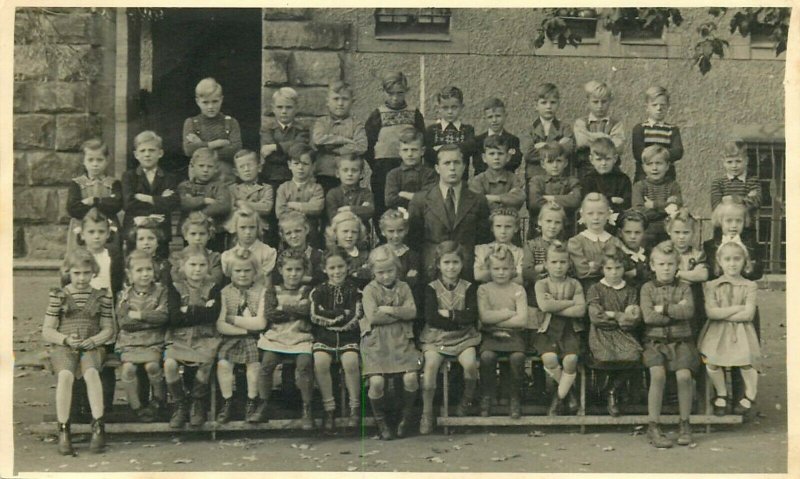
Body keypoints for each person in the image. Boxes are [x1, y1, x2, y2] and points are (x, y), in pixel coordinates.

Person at [43, 249, 114, 454]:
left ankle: (98, 426)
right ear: (68, 272)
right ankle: (64, 429)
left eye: (86, 273)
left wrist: (94, 340)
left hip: (91, 345)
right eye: (76, 273)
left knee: (91, 373)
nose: (82, 278)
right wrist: (65, 339)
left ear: (94, 272)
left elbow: (108, 328)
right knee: (65, 376)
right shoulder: (59, 295)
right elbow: (47, 330)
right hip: (65, 346)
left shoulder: (102, 296)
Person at [64, 209, 123, 413]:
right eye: (91, 232)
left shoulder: (112, 257)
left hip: (106, 315)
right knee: (81, 359)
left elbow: (118, 285)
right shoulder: (76, 258)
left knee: (105, 359)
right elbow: (65, 289)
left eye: (100, 231)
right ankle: (80, 407)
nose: (96, 236)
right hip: (81, 317)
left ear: (108, 233)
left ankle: (104, 407)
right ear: (82, 234)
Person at [640, 240, 698, 448]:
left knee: (684, 376)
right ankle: (653, 425)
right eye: (661, 264)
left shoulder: (684, 288)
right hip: (654, 342)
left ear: (677, 267)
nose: (666, 269)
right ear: (653, 265)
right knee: (658, 374)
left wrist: (662, 309)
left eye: (670, 265)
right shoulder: (647, 288)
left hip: (681, 341)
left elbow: (688, 312)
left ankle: (685, 423)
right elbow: (648, 317)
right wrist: (674, 311)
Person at [419, 241, 481, 433]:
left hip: (464, 337)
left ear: (462, 263)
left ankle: (466, 402)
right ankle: (427, 412)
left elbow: (471, 315)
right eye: (446, 262)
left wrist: (450, 314)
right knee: (430, 366)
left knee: (470, 363)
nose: (451, 267)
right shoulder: (431, 287)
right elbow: (432, 318)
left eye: (455, 262)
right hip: (436, 337)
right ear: (438, 264)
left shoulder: (469, 287)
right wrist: (457, 319)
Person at [360, 246, 420, 440]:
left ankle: (405, 418)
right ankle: (381, 422)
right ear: (373, 272)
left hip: (401, 339)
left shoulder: (404, 287)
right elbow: (374, 317)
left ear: (397, 269)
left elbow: (412, 312)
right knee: (377, 382)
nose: (386, 276)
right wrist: (399, 313)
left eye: (390, 271)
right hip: (377, 341)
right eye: (380, 272)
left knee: (410, 378)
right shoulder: (370, 290)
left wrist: (389, 309)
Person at [408, 144, 492, 282]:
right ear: (437, 168)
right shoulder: (420, 200)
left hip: (467, 271)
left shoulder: (478, 200)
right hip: (431, 271)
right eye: (447, 163)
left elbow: (483, 239)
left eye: (456, 163)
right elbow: (414, 241)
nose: (452, 168)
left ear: (464, 166)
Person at [253, 249, 315, 428]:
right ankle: (263, 404)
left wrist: (286, 309)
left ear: (304, 271)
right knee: (267, 364)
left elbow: (308, 312)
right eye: (289, 270)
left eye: (298, 270)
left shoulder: (307, 290)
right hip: (277, 337)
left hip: (300, 336)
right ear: (280, 270)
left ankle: (307, 407)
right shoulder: (273, 290)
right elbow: (271, 314)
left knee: (304, 365)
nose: (293, 274)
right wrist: (295, 310)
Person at [699, 241, 761, 418]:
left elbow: (748, 315)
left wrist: (723, 313)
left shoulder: (750, 286)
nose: (732, 263)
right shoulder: (712, 285)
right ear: (719, 261)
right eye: (727, 259)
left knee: (745, 362)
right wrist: (736, 308)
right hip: (717, 331)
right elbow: (711, 312)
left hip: (741, 331)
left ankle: (750, 394)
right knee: (711, 361)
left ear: (744, 261)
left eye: (737, 259)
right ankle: (721, 394)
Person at [164, 247, 223, 428]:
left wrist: (187, 310)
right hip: (180, 338)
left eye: (202, 265)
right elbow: (174, 317)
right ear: (182, 266)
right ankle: (180, 403)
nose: (197, 269)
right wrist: (200, 311)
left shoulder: (214, 288)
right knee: (170, 364)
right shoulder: (175, 288)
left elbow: (213, 315)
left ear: (208, 267)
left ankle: (198, 402)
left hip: (205, 337)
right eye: (192, 264)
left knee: (206, 363)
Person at [309, 248, 363, 434]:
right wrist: (340, 314)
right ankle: (329, 409)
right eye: (332, 268)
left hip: (348, 336)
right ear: (324, 269)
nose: (337, 271)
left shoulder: (354, 290)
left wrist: (332, 316)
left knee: (351, 361)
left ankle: (354, 408)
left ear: (348, 267)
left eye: (340, 266)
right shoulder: (319, 290)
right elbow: (316, 314)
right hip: (324, 336)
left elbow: (356, 315)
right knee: (320, 362)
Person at [586, 244, 643, 417]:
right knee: (604, 356)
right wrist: (620, 317)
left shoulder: (630, 290)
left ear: (624, 268)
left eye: (618, 268)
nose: (613, 272)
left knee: (634, 355)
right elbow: (596, 317)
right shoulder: (595, 289)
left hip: (624, 335)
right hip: (600, 334)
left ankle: (612, 390)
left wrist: (613, 315)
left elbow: (632, 320)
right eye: (609, 268)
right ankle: (606, 393)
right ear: (602, 268)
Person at [533, 241, 587, 416]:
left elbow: (580, 310)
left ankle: (558, 399)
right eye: (554, 262)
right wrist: (570, 302)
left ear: (569, 263)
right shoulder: (541, 284)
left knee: (570, 360)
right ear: (547, 264)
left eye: (562, 262)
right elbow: (545, 306)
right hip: (547, 329)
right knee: (549, 358)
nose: (558, 266)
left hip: (570, 330)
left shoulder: (574, 284)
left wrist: (555, 304)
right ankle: (570, 394)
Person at [115, 249, 169, 422]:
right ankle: (136, 406)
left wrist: (139, 315)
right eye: (139, 270)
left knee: (152, 366)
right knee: (128, 369)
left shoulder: (161, 292)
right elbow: (124, 322)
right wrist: (150, 318)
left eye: (148, 269)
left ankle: (159, 401)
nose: (145, 274)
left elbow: (162, 317)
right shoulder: (124, 295)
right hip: (129, 341)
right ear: (129, 274)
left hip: (154, 340)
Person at [215, 249, 267, 424]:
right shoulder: (225, 292)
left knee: (254, 364)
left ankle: (252, 401)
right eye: (238, 271)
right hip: (232, 337)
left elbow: (260, 323)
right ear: (230, 272)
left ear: (255, 272)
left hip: (255, 339)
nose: (243, 275)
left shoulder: (262, 292)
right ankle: (227, 401)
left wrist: (233, 319)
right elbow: (220, 325)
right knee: (223, 364)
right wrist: (246, 328)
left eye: (247, 270)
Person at [365, 71, 426, 218]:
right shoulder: (378, 114)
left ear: (406, 91)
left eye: (400, 93)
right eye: (390, 93)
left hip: (409, 166)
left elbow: (422, 138)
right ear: (383, 92)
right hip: (383, 167)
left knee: (407, 202)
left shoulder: (414, 113)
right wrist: (377, 165)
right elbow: (368, 144)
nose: (395, 98)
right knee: (383, 203)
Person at [477, 245, 529, 419]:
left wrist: (496, 318)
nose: (501, 272)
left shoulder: (518, 289)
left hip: (514, 335)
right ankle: (487, 396)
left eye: (505, 269)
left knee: (517, 357)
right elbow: (484, 317)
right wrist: (508, 313)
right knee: (487, 357)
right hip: (490, 334)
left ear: (513, 269)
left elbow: (522, 320)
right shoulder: (484, 289)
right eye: (496, 269)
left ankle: (514, 398)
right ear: (489, 269)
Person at [260, 87, 309, 245]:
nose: (284, 111)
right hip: (272, 178)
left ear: (296, 108)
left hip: (294, 179)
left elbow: (298, 149)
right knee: (273, 222)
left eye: (288, 107)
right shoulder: (267, 129)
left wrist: (276, 148)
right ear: (273, 108)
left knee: (294, 220)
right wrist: (288, 150)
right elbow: (266, 151)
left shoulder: (302, 129)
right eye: (280, 107)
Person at [121, 130, 180, 258]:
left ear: (160, 153)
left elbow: (173, 203)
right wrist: (160, 200)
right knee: (135, 265)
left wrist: (147, 198)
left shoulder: (169, 178)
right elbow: (128, 204)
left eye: (151, 150)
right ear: (136, 154)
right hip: (135, 232)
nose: (147, 154)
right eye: (142, 151)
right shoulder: (129, 177)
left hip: (160, 233)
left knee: (160, 266)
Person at [66, 139, 123, 253]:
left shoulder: (114, 183)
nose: (95, 164)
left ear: (107, 160)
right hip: (82, 229)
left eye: (99, 160)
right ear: (84, 161)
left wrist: (94, 201)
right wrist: (103, 203)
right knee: (81, 260)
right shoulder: (77, 183)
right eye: (90, 160)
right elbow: (73, 208)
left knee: (110, 259)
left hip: (108, 229)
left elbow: (116, 204)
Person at [312, 80, 368, 194]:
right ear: (327, 101)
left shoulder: (356, 124)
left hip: (349, 177)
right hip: (324, 175)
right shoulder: (321, 122)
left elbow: (362, 146)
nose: (340, 103)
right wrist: (344, 140)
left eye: (345, 99)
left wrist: (334, 149)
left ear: (352, 102)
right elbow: (318, 140)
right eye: (336, 99)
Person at [182, 77, 242, 181]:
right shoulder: (191, 123)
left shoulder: (231, 122)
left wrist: (201, 145)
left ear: (221, 99)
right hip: (199, 180)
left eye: (215, 101)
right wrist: (216, 143)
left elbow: (235, 149)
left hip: (225, 178)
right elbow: (188, 150)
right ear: (197, 101)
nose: (210, 106)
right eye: (205, 102)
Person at [567, 192, 628, 294]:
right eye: (590, 213)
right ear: (582, 215)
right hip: (587, 289)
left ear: (608, 214)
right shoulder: (576, 242)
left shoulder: (615, 241)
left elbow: (624, 266)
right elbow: (582, 271)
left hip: (614, 290)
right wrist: (606, 266)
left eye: (600, 213)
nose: (596, 217)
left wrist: (593, 265)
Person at [177, 148, 232, 252]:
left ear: (216, 168)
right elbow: (182, 202)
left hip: (214, 232)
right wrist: (204, 200)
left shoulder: (220, 186)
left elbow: (223, 205)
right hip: (190, 232)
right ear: (192, 166)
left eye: (210, 166)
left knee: (213, 258)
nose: (205, 170)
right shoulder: (185, 186)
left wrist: (202, 213)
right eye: (201, 166)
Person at [667, 209, 708, 337]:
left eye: (686, 232)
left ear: (693, 233)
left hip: (694, 299)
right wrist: (690, 275)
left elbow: (703, 275)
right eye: (677, 232)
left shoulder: (697, 253)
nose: (681, 237)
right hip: (670, 295)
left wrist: (678, 273)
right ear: (669, 232)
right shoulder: (665, 252)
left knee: (695, 329)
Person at [275, 143, 325, 247]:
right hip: (288, 233)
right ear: (289, 165)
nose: (300, 167)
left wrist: (293, 205)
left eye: (305, 164)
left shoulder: (316, 188)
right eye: (296, 163)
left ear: (313, 166)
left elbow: (316, 208)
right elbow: (280, 212)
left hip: (311, 234)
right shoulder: (283, 188)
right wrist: (305, 210)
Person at [527, 142, 581, 237]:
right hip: (539, 232)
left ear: (565, 163)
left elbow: (575, 201)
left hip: (566, 231)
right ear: (543, 164)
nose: (555, 165)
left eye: (559, 161)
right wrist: (565, 198)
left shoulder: (572, 181)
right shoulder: (537, 181)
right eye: (550, 161)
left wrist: (549, 198)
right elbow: (534, 203)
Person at [522, 82, 574, 181]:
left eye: (553, 102)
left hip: (560, 179)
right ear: (536, 106)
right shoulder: (529, 130)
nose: (549, 106)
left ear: (558, 104)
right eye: (544, 102)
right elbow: (529, 153)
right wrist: (558, 145)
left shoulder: (565, 128)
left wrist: (543, 146)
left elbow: (569, 148)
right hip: (536, 178)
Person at [573, 80, 625, 179]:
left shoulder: (616, 124)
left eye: (604, 101)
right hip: (585, 171)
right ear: (588, 102)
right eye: (595, 102)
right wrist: (606, 138)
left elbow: (618, 147)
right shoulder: (581, 122)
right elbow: (581, 141)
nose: (600, 106)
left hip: (610, 172)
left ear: (610, 101)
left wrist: (590, 137)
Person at [632, 145, 682, 245]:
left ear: (667, 166)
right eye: (649, 164)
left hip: (668, 230)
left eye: (659, 163)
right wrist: (666, 207)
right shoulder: (639, 186)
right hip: (646, 231)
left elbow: (677, 208)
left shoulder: (673, 185)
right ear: (643, 167)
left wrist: (654, 205)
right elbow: (639, 213)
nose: (654, 168)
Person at [631, 86, 683, 181]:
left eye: (663, 105)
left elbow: (678, 151)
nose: (659, 108)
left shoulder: (672, 130)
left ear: (668, 107)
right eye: (654, 105)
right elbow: (638, 153)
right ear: (647, 107)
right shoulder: (640, 129)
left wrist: (659, 156)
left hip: (667, 177)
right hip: (644, 177)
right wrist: (659, 157)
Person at [424, 86, 478, 176]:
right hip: (435, 180)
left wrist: (442, 147)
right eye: (445, 108)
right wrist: (458, 148)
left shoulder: (467, 130)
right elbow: (428, 154)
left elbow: (470, 147)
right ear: (438, 108)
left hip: (461, 179)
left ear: (462, 107)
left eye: (454, 107)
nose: (450, 112)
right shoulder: (431, 130)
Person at [710, 139, 761, 232]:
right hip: (723, 230)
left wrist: (733, 199)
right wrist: (745, 200)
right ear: (723, 162)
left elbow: (756, 202)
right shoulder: (718, 183)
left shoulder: (753, 181)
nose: (734, 165)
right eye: (729, 162)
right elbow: (717, 207)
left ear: (746, 161)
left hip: (747, 229)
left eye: (738, 161)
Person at [226, 149, 274, 243]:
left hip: (260, 231)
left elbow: (266, 208)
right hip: (238, 232)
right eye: (242, 167)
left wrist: (241, 203)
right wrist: (255, 206)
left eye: (250, 165)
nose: (246, 169)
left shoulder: (266, 188)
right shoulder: (232, 189)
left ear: (259, 167)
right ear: (236, 172)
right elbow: (230, 209)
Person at [384, 128, 438, 211]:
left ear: (422, 151)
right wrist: (418, 197)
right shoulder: (393, 174)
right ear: (399, 152)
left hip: (424, 213)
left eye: (414, 150)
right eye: (405, 150)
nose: (410, 154)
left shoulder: (429, 174)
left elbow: (430, 199)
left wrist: (404, 194)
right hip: (400, 215)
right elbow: (390, 200)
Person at [221, 208, 277, 287]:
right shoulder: (228, 256)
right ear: (235, 228)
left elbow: (267, 285)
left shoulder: (267, 252)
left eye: (252, 227)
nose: (248, 232)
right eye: (243, 227)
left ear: (258, 228)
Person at [468, 135, 525, 212]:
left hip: (509, 221)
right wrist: (507, 199)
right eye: (492, 154)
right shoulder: (478, 180)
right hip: (486, 222)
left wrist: (493, 198)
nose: (496, 157)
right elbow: (477, 203)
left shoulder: (514, 179)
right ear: (484, 158)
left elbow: (519, 199)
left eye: (500, 153)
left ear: (508, 157)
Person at [580, 137, 632, 220]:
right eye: (599, 159)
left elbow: (627, 204)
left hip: (619, 220)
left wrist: (600, 200)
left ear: (615, 159)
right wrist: (611, 200)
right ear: (591, 159)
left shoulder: (623, 179)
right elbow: (587, 203)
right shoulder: (588, 179)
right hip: (595, 220)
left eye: (607, 159)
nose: (603, 163)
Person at [169, 212, 224, 287]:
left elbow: (216, 280)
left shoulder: (214, 257)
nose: (197, 238)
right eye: (193, 234)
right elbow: (175, 279)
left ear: (209, 236)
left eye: (202, 234)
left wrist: (187, 274)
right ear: (185, 236)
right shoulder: (177, 256)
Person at [474, 208, 524, 284]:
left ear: (516, 228)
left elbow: (520, 279)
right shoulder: (481, 249)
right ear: (492, 228)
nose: (503, 231)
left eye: (508, 227)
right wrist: (510, 273)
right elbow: (478, 276)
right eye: (498, 226)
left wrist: (489, 272)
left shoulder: (520, 252)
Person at [275, 211, 325, 287]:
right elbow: (277, 280)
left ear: (307, 229)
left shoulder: (319, 256)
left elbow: (321, 279)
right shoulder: (279, 258)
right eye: (288, 233)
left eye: (297, 231)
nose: (294, 236)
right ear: (282, 236)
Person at [473, 97, 522, 175]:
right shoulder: (478, 141)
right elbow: (478, 164)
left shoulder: (512, 140)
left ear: (505, 116)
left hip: (506, 180)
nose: (494, 120)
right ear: (485, 118)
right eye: (490, 117)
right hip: (483, 182)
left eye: (498, 116)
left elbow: (515, 162)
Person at [325, 211, 372, 289]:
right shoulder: (329, 255)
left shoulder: (365, 256)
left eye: (354, 232)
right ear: (335, 232)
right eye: (345, 231)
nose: (349, 235)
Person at [325, 155, 375, 226]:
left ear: (361, 174)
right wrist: (359, 210)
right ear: (337, 173)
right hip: (339, 232)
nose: (350, 174)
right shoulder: (333, 194)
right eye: (345, 170)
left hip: (362, 233)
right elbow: (333, 217)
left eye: (354, 170)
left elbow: (369, 210)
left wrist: (348, 209)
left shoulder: (365, 193)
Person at [617, 210, 651, 290]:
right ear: (620, 233)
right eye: (628, 232)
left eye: (637, 232)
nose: (633, 237)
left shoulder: (649, 254)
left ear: (644, 233)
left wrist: (638, 272)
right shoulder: (618, 256)